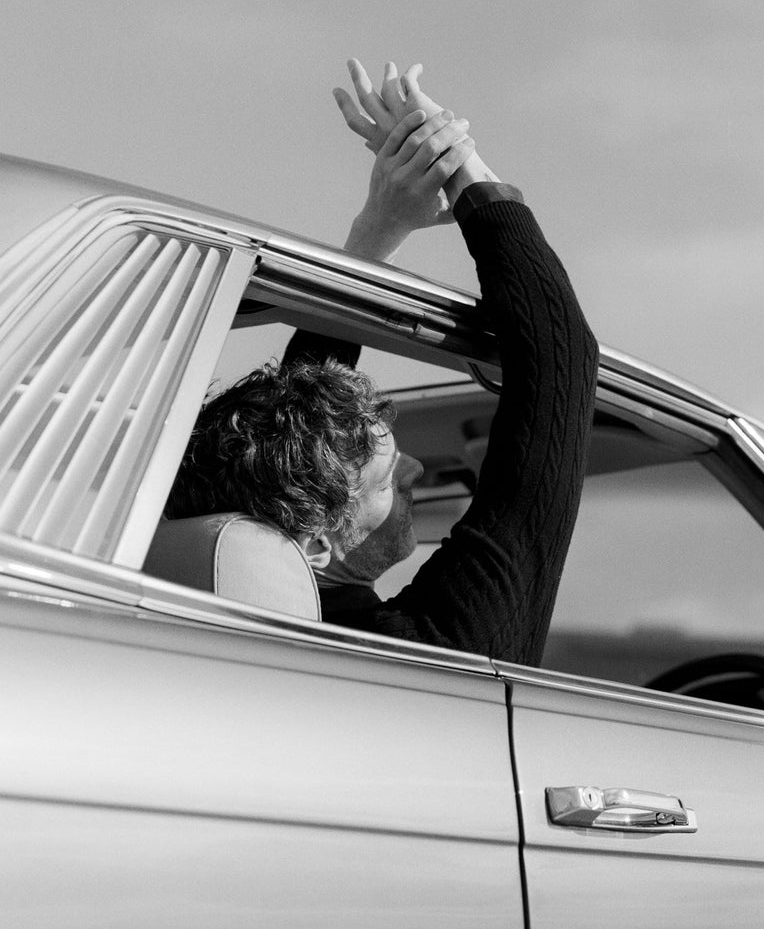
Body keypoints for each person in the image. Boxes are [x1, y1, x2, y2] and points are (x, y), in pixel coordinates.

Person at [166, 61, 598, 668]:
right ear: (315, 543)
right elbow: (561, 360)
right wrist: (458, 160)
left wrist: (379, 228)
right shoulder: (437, 654)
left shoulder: (198, 649)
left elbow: (299, 401)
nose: (416, 467)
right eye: (387, 477)